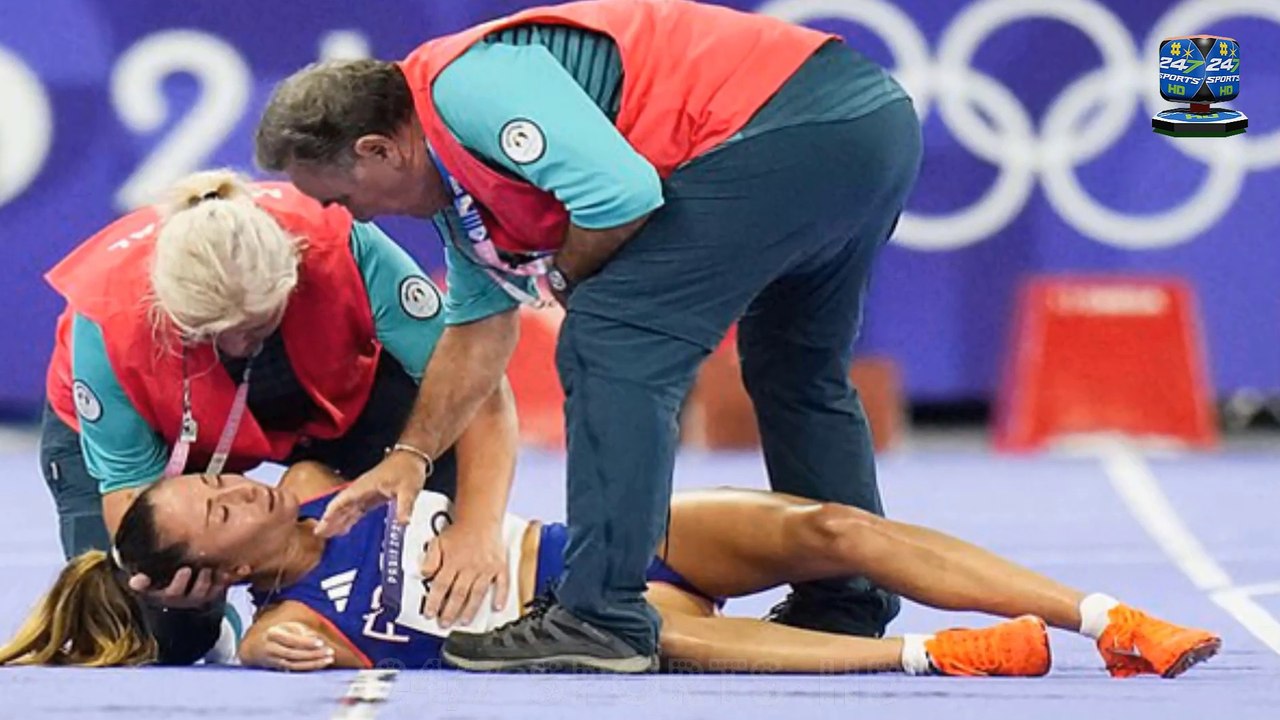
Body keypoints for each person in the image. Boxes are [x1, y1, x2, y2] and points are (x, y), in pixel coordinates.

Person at [254, 0, 921, 671]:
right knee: (793, 369)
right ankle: (845, 602)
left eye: (341, 198)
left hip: (791, 126)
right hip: (868, 123)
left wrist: (567, 277)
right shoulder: (460, 189)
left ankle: (600, 612)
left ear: (378, 149)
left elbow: (621, 195)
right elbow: (478, 328)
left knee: (608, 335)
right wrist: (412, 454)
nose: (349, 217)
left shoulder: (465, 89)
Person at [0, 461, 1220, 679]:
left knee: (828, 528)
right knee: (655, 638)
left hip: (607, 538)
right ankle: (936, 652)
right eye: (216, 506)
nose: (241, 486)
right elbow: (259, 654)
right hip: (592, 614)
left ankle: (1104, 614)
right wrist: (227, 633)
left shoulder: (336, 481)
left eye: (221, 475)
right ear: (200, 565)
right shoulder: (282, 633)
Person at [38, 169, 518, 663]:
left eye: (256, 325)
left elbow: (479, 389)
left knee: (438, 505)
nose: (238, 345)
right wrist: (174, 598)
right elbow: (132, 502)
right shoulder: (105, 320)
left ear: (294, 270)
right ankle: (207, 629)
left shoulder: (342, 244)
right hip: (159, 421)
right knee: (151, 630)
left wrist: (476, 527)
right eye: (214, 333)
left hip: (323, 388)